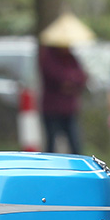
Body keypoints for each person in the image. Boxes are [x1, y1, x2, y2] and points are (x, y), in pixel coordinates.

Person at [38, 13, 93, 155]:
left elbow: (82, 76)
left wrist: (72, 82)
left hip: (69, 108)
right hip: (52, 108)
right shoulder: (47, 57)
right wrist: (69, 81)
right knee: (51, 145)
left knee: (75, 145)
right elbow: (58, 77)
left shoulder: (71, 57)